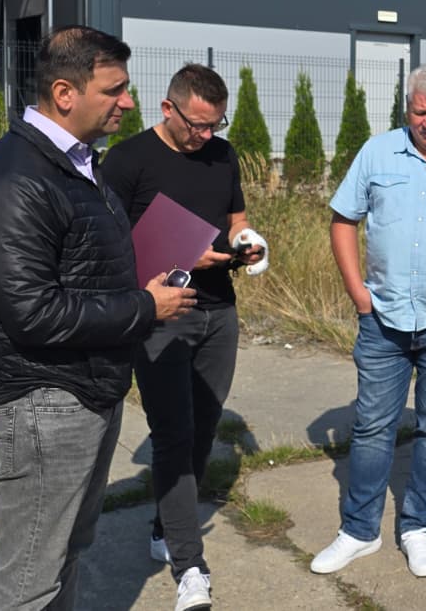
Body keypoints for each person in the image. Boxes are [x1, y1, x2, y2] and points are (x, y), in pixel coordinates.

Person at [0, 25, 196, 611]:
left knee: (63, 553)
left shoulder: (76, 163)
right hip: (45, 400)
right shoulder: (16, 178)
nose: (129, 102)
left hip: (86, 391)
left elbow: (81, 272)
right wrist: (146, 307)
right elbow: (32, 312)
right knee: (26, 580)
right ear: (65, 94)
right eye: (114, 90)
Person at [309, 64, 426, 578]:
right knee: (372, 427)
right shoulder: (378, 152)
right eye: (419, 112)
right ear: (407, 109)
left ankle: (417, 527)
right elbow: (343, 219)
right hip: (384, 318)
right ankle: (359, 530)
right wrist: (357, 291)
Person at [103, 62, 266, 610]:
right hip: (160, 314)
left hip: (219, 310)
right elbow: (108, 247)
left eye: (215, 124)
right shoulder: (127, 161)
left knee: (202, 430)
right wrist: (183, 258)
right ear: (167, 108)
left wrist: (246, 241)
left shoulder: (222, 154)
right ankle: (189, 566)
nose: (205, 135)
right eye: (197, 124)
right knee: (173, 433)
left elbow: (236, 216)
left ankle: (165, 528)